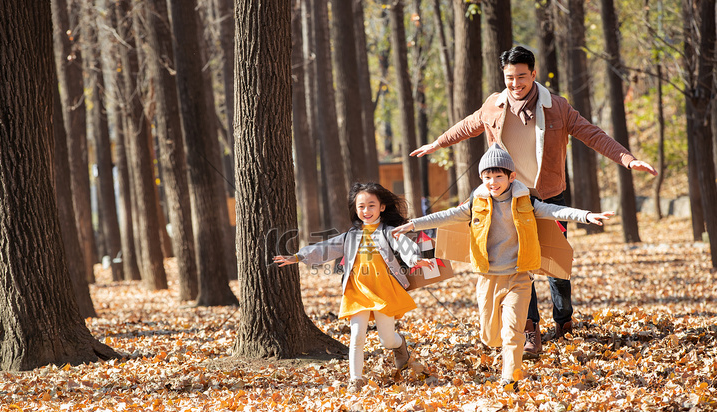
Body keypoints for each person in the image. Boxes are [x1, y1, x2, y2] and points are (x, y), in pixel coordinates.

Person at [410, 45, 657, 356]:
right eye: (510, 78)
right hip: (512, 199)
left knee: (556, 266)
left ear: (534, 74)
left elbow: (592, 134)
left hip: (550, 194)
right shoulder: (494, 106)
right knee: (520, 265)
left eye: (522, 77)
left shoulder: (557, 107)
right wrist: (436, 143)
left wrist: (628, 159)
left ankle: (564, 320)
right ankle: (530, 330)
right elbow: (468, 125)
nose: (515, 84)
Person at [393, 144, 613, 389]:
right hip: (487, 277)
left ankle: (510, 378)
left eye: (498, 176)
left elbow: (555, 211)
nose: (493, 182)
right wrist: (412, 225)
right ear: (481, 178)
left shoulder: (526, 201)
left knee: (513, 332)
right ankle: (507, 361)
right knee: (489, 335)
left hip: (519, 277)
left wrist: (586, 215)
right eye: (488, 177)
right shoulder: (475, 203)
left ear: (512, 177)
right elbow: (444, 216)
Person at [274, 182, 433, 391]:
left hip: (384, 290)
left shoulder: (390, 232)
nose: (366, 211)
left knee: (387, 340)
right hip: (357, 291)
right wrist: (298, 257)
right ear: (356, 209)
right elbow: (326, 248)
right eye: (361, 206)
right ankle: (356, 379)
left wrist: (414, 260)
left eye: (371, 205)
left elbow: (405, 245)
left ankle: (399, 344)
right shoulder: (351, 236)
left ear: (382, 207)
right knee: (357, 336)